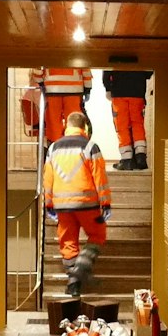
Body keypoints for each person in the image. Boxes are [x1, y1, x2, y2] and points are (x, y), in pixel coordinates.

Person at [40, 112, 112, 297]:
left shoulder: (54, 148)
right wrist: (105, 202)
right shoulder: (90, 146)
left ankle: (73, 284)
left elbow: (48, 178)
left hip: (62, 205)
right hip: (87, 204)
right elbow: (100, 177)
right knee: (97, 235)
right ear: (84, 127)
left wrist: (48, 203)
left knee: (68, 243)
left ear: (66, 125)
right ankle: (81, 268)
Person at [103, 69, 150, 170]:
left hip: (118, 92)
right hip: (138, 91)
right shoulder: (142, 52)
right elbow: (148, 72)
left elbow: (106, 69)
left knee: (121, 126)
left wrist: (108, 88)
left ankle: (126, 159)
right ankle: (140, 156)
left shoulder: (114, 52)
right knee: (137, 124)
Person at [35, 67, 90, 147]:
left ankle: (56, 148)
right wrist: (87, 87)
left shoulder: (46, 53)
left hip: (52, 89)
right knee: (75, 121)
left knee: (53, 122)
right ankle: (75, 145)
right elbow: (85, 66)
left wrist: (41, 83)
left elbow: (38, 68)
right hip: (74, 89)